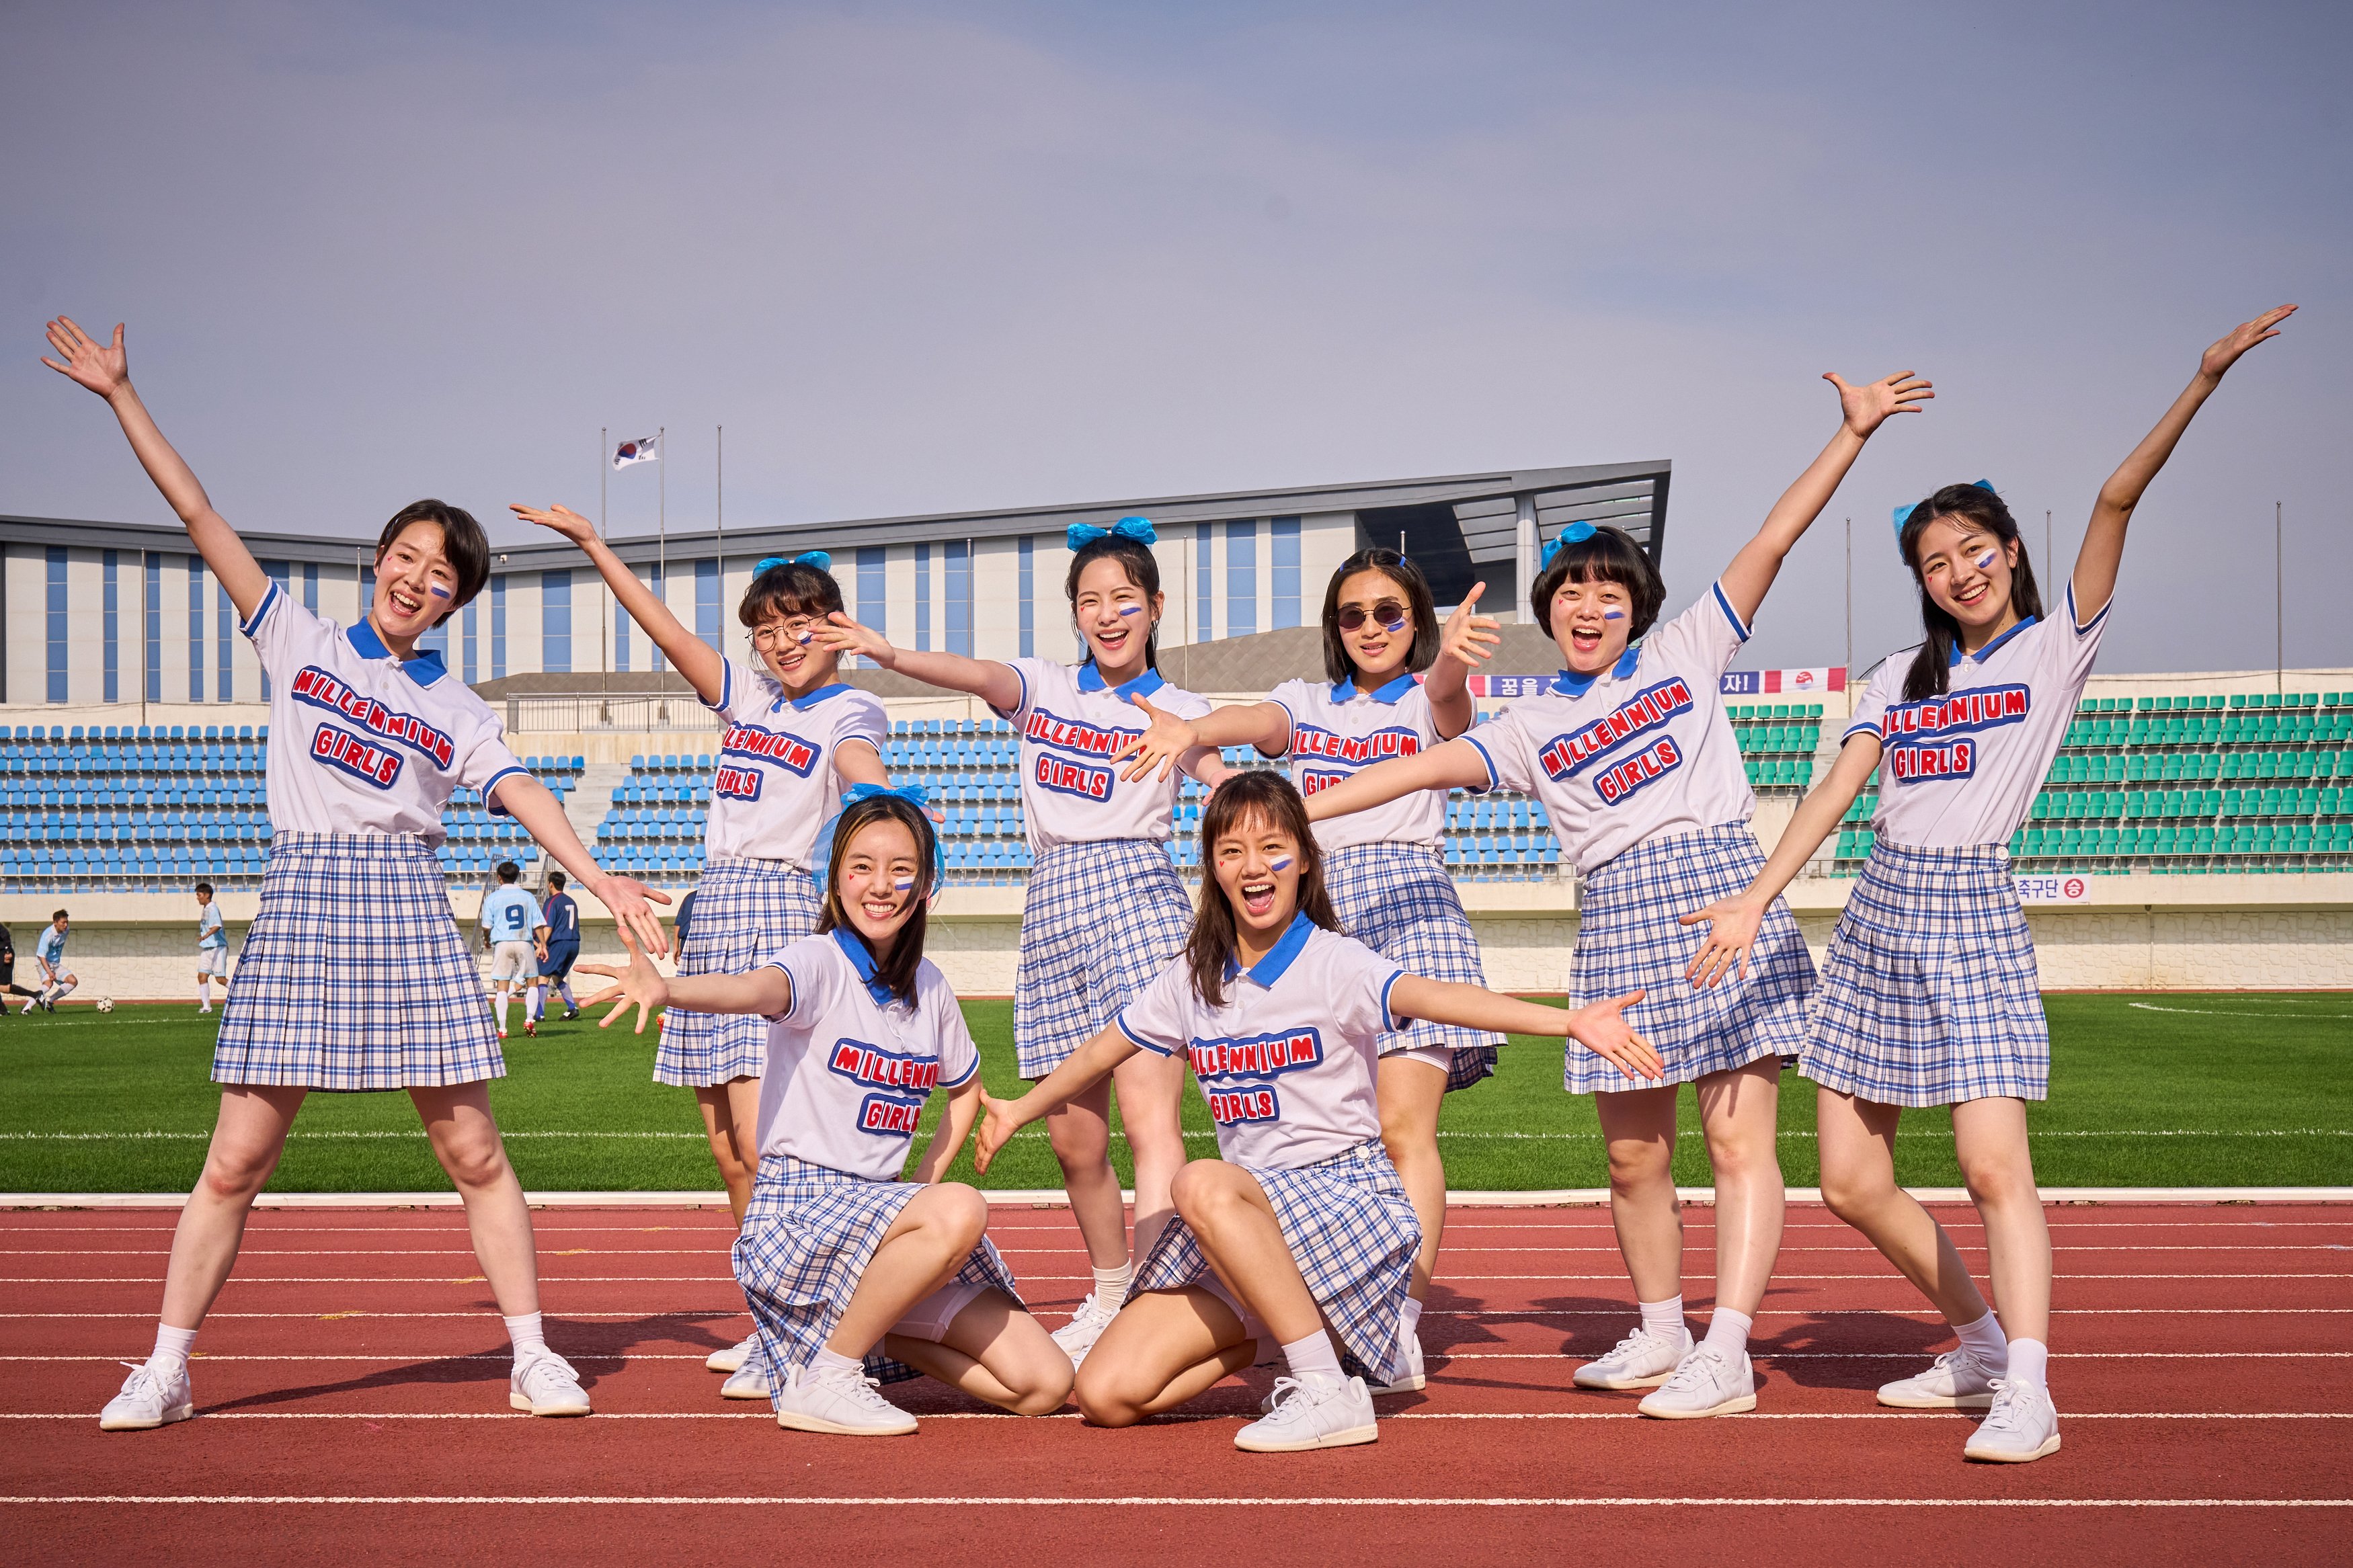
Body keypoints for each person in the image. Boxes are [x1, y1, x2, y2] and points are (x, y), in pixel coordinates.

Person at [1681, 306, 2295, 1463]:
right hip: (1877, 913)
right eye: (1936, 562)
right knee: (1853, 1180)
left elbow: (2116, 497)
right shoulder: (1894, 676)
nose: (1959, 572)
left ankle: (2030, 1383)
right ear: (1921, 579)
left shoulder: (2054, 646)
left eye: (1975, 551)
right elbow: (1832, 795)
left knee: (1988, 1163)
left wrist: (2204, 373)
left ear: (2009, 551)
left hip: (1971, 904)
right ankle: (1974, 1338)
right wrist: (1759, 896)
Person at [43, 315, 670, 1434]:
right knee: (235, 1158)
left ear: (456, 602)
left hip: (404, 899)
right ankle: (167, 1366)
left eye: (442, 574)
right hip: (302, 899)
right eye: (408, 556)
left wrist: (605, 874)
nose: (418, 579)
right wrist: (120, 395)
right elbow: (198, 512)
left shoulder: (455, 705)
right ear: (379, 559)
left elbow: (524, 793)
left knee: (474, 1148)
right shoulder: (298, 639)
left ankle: (533, 1354)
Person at [1296, 369, 1932, 1419]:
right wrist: (1293, 815)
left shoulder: (1689, 650)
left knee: (1737, 1143)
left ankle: (1726, 1351)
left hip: (1719, 892)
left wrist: (1851, 433)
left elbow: (1774, 538)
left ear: (1637, 605)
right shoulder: (1529, 720)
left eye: (1610, 591)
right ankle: (1659, 1326)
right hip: (1618, 911)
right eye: (1570, 593)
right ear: (1547, 612)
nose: (1589, 607)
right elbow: (1410, 770)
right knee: (1635, 1158)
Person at [976, 772, 1657, 1450]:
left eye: (1272, 846)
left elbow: (1438, 996)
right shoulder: (1192, 978)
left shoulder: (1335, 961)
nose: (1253, 866)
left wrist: (1568, 1021)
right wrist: (1017, 1109)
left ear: (1303, 857)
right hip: (1250, 1225)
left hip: (1340, 1198)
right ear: (1212, 868)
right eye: (1231, 851)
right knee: (1106, 1391)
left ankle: (1322, 1385)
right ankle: (1297, 1342)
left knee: (1198, 1181)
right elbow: (1102, 1049)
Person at [813, 517, 1224, 1367]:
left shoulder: (1179, 708)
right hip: (1053, 900)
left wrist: (1214, 759)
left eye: (1123, 599)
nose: (1107, 615)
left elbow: (1227, 782)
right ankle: (1110, 1289)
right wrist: (887, 654)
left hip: (1138, 890)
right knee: (1075, 1138)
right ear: (1075, 613)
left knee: (1151, 1122)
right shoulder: (1043, 686)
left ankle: (1151, 1299)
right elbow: (973, 672)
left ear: (1154, 606)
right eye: (1090, 601)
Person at [1110, 547, 1507, 1390]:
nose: (1370, 628)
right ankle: (1310, 1309)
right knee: (1329, 1129)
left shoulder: (1426, 699)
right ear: (1335, 625)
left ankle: (1396, 1321)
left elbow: (1446, 697)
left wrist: (1446, 663)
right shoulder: (1305, 702)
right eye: (1353, 614)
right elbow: (1251, 721)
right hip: (1312, 909)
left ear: (1415, 621)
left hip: (1407, 900)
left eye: (1389, 613)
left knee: (1403, 1131)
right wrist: (1189, 730)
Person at [518, 505, 891, 1383]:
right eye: (765, 631)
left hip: (778, 910)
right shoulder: (750, 698)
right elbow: (665, 629)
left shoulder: (851, 705)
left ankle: (825, 1330)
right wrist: (597, 546)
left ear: (835, 628)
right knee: (727, 1149)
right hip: (714, 907)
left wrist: (889, 808)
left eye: (797, 625)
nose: (780, 643)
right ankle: (774, 1321)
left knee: (770, 1147)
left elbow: (859, 766)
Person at [580, 788, 1072, 1434]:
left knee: (1046, 1383)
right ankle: (830, 1377)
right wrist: (667, 988)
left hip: (877, 1220)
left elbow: (965, 1090)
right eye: (861, 866)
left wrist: (919, 1183)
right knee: (961, 1207)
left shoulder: (930, 988)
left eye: (901, 869)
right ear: (836, 880)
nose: (880, 884)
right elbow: (752, 988)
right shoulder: (818, 961)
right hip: (801, 1215)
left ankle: (853, 1339)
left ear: (926, 884)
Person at [478, 862, 548, 1040]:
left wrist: (487, 940)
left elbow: (486, 926)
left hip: (502, 943)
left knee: (502, 986)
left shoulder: (492, 898)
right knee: (532, 982)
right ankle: (530, 1019)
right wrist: (543, 945)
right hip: (524, 941)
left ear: (499, 877)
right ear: (517, 876)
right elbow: (538, 923)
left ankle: (502, 1029)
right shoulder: (527, 897)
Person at [541, 871, 582, 1020]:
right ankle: (572, 1008)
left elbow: (549, 927)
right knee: (557, 977)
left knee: (542, 977)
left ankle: (539, 1014)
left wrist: (542, 946)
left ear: (550, 884)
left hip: (559, 942)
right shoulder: (571, 901)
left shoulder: (552, 901)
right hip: (574, 943)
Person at [194, 882, 231, 1012]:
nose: (197, 898)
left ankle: (241, 993)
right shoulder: (206, 909)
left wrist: (206, 936)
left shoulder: (213, 908)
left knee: (220, 979)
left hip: (218, 947)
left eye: (199, 895)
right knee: (202, 976)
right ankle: (206, 1007)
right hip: (207, 947)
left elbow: (217, 926)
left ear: (207, 895)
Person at [31, 910, 76, 1013]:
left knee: (73, 981)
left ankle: (50, 1001)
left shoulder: (66, 930)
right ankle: (26, 1008)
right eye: (63, 922)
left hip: (55, 964)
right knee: (48, 983)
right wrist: (50, 973)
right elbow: (41, 956)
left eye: (67, 922)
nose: (66, 925)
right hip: (43, 962)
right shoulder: (48, 935)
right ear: (55, 922)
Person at [0, 921, 38, 1014]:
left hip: (4, 953)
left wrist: (8, 951)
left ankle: (36, 995)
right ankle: (2, 1010)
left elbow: (4, 933)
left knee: (4, 987)